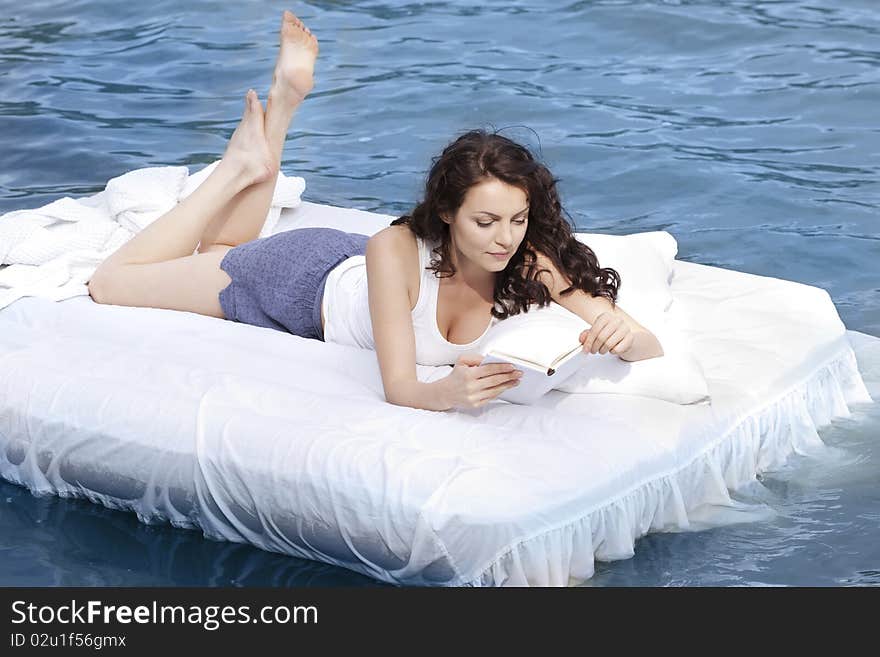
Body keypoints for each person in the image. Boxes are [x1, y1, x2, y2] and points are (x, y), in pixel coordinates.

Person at [87, 10, 664, 413]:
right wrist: (448, 396)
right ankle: (237, 169)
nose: (504, 239)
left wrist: (621, 330)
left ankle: (279, 112)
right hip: (298, 282)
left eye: (517, 220)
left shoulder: (530, 258)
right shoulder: (394, 247)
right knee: (115, 283)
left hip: (339, 268)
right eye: (484, 223)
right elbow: (401, 388)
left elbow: (647, 346)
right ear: (445, 214)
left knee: (219, 250)